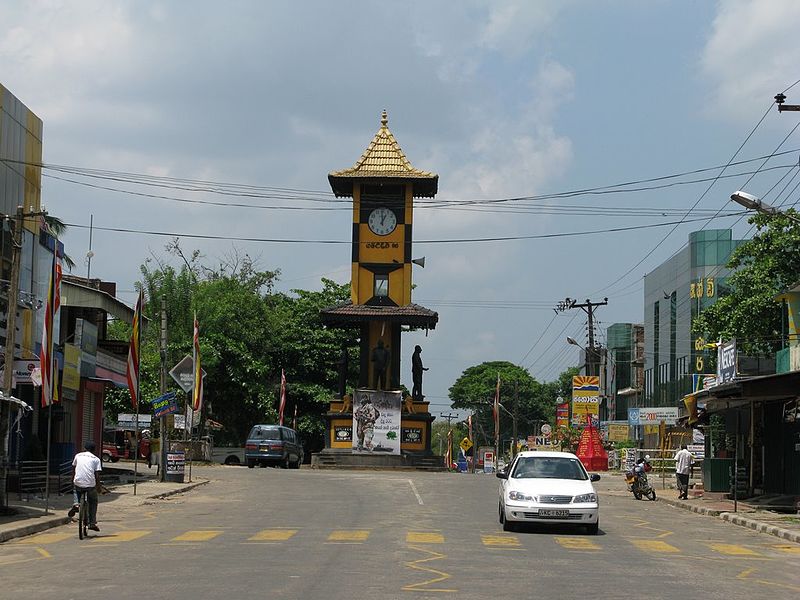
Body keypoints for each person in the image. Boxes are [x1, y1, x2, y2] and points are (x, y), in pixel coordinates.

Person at [68, 441, 103, 531]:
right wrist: (99, 488)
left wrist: (72, 480)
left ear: (85, 448)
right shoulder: (96, 459)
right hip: (90, 485)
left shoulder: (78, 456)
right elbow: (97, 475)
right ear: (94, 450)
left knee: (76, 489)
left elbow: (74, 468)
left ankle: (76, 504)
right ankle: (92, 523)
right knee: (93, 502)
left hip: (78, 482)